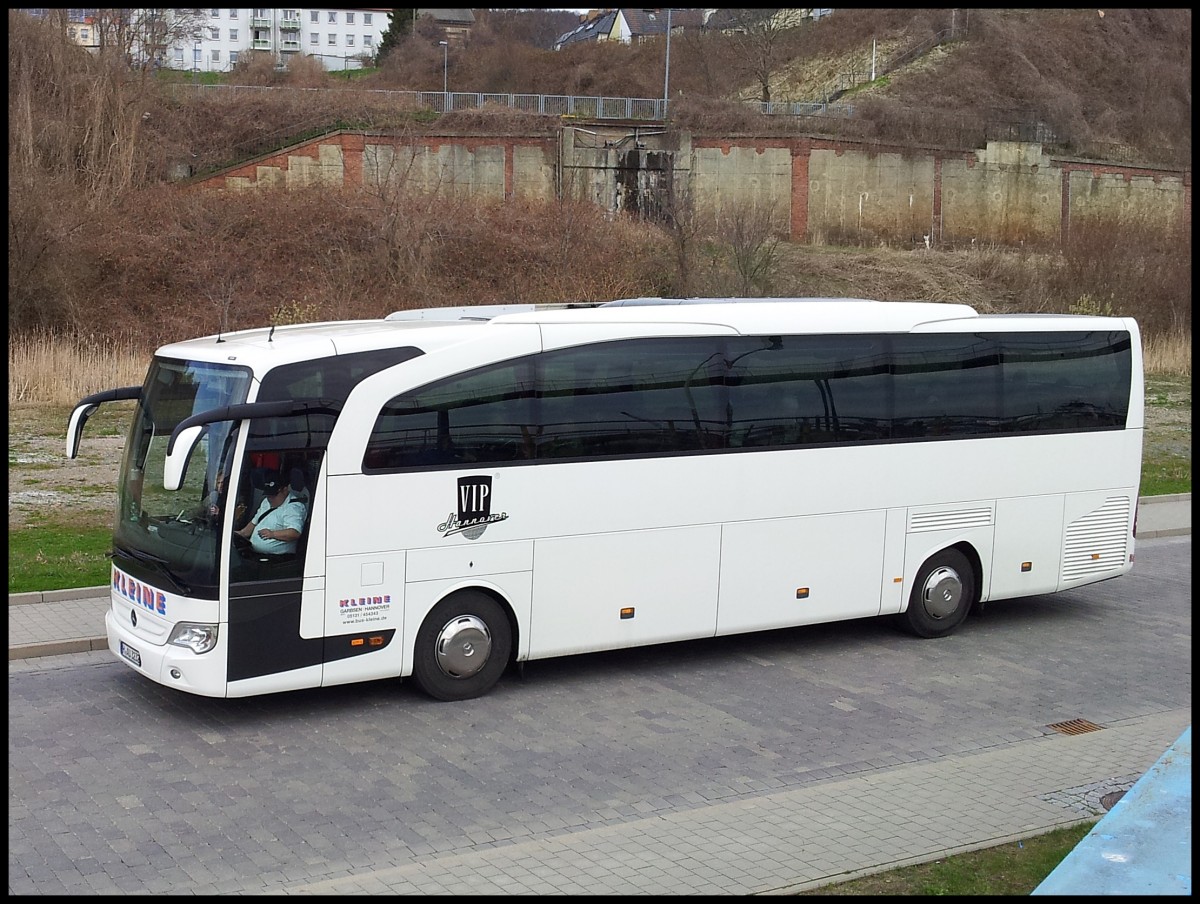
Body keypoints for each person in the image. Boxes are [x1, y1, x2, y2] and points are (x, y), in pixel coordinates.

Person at [235, 470, 306, 555]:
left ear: (285, 490)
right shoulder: (266, 502)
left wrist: (272, 534)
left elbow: (294, 533)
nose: (270, 499)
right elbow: (253, 524)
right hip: (254, 553)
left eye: (274, 495)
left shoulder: (293, 508)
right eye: (269, 495)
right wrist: (240, 534)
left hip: (277, 558)